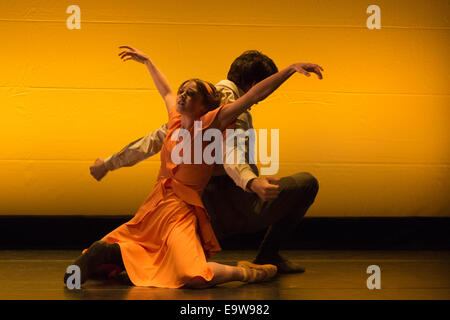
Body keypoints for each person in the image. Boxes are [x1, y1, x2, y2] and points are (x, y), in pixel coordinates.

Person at [90, 50, 323, 273]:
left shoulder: (197, 102)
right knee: (307, 183)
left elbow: (152, 137)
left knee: (163, 254)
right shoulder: (231, 112)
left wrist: (108, 163)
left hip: (188, 206)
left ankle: (111, 257)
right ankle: (268, 255)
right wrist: (252, 182)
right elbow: (230, 151)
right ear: (254, 85)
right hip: (223, 206)